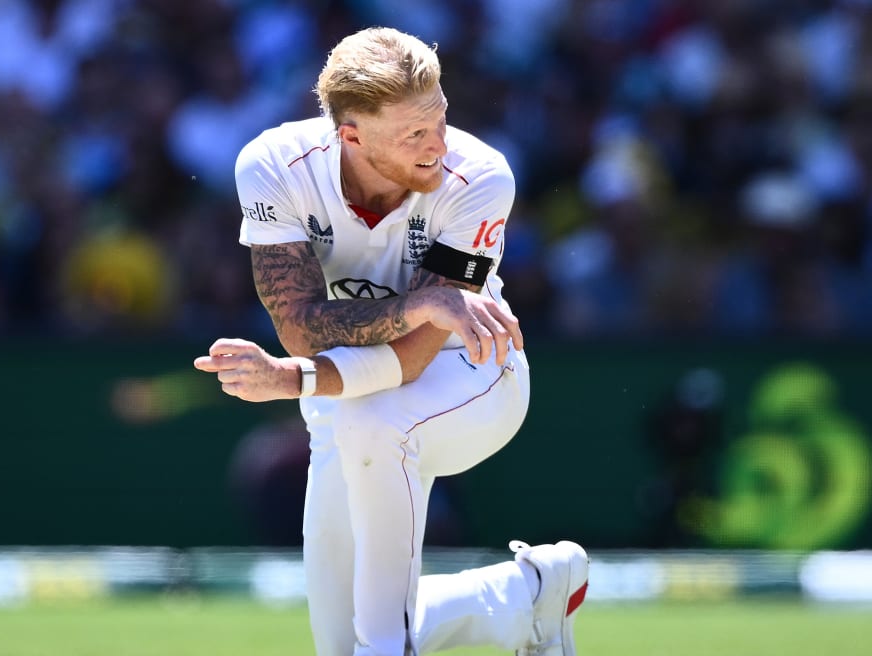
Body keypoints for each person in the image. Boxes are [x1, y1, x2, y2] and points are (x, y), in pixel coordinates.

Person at [193, 27, 589, 656]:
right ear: (350, 136)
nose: (439, 146)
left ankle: (387, 647)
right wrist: (415, 306)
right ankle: (526, 593)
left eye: (440, 118)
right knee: (336, 646)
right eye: (413, 134)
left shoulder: (482, 177)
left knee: (374, 422)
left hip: (473, 377)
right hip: (342, 391)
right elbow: (299, 328)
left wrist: (293, 379)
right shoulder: (272, 166)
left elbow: (413, 357)